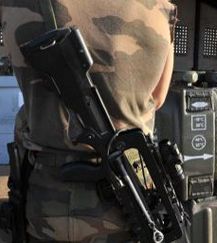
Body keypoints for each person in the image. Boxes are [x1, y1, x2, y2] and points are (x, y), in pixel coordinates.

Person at [0, 0, 177, 241]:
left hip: (45, 207)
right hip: (129, 206)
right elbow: (157, 98)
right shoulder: (161, 8)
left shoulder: (14, 4)